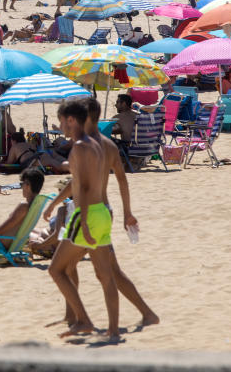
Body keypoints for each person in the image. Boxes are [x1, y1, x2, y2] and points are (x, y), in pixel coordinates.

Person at [37, 97, 158, 327]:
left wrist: (125, 213)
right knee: (76, 267)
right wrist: (127, 212)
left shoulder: (88, 145)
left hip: (90, 212)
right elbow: (119, 181)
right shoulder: (106, 144)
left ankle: (91, 318)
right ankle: (74, 316)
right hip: (101, 210)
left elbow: (80, 183)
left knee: (104, 272)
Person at [47, 100, 119, 341]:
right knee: (105, 274)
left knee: (56, 269)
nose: (60, 127)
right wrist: (55, 203)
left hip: (87, 214)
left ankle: (83, 320)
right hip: (103, 212)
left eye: (61, 121)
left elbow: (85, 187)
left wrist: (84, 223)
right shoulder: (96, 145)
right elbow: (81, 182)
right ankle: (113, 330)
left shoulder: (79, 147)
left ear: (71, 120)